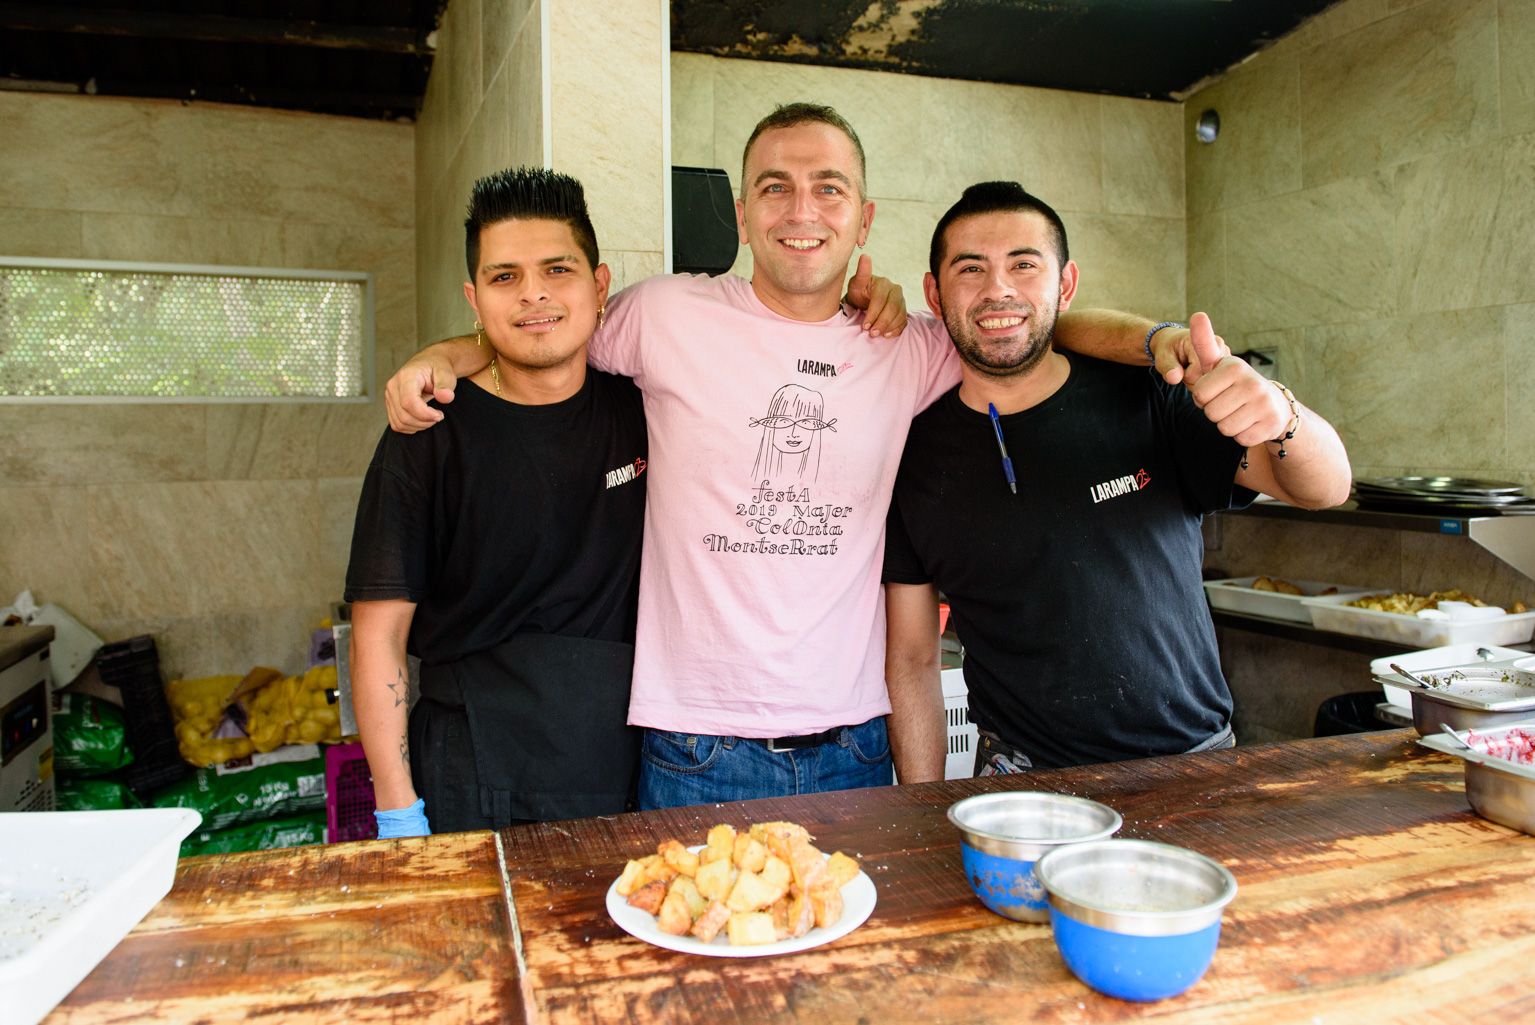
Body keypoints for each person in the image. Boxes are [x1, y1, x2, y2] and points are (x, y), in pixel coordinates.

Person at [384, 104, 1221, 809]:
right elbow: (542, 324)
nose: (801, 209)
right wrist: (442, 357)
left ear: (863, 217)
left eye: (829, 188)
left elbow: (1023, 327)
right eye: (774, 187)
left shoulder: (909, 344)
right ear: (742, 215)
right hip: (691, 745)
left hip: (854, 743)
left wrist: (1159, 339)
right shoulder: (663, 313)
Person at [881, 181, 1352, 782]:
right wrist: (922, 810)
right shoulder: (915, 453)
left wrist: (1283, 414)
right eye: (970, 269)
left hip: (1193, 765)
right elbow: (915, 658)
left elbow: (1326, 487)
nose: (998, 288)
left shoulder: (1150, 395)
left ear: (1065, 284)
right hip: (1021, 780)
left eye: (1024, 265)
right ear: (934, 292)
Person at [345, 168, 647, 837]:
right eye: (504, 276)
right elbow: (379, 633)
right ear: (474, 299)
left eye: (556, 269)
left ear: (599, 286)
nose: (533, 293)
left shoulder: (642, 407)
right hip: (473, 769)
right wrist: (398, 810)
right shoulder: (427, 432)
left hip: (624, 762)